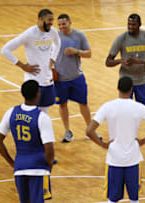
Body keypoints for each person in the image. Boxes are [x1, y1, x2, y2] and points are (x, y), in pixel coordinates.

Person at [86, 76, 145, 203]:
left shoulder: (107, 106)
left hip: (114, 158)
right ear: (131, 89)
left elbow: (89, 131)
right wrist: (143, 141)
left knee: (113, 199)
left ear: (117, 88)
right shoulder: (140, 107)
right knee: (134, 199)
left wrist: (103, 144)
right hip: (133, 158)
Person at [105, 13, 145, 164]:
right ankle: (122, 149)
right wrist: (120, 61)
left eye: (133, 25)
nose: (130, 27)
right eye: (128, 24)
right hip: (126, 82)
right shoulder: (121, 38)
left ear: (140, 25)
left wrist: (140, 61)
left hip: (142, 81)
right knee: (124, 115)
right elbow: (108, 61)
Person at [0, 80, 55, 203]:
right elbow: (49, 149)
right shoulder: (42, 117)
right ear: (38, 94)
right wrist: (49, 166)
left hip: (20, 167)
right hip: (38, 168)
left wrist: (12, 162)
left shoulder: (11, 112)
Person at [1, 9, 61, 114]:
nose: (51, 23)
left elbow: (58, 43)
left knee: (45, 111)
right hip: (33, 80)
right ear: (41, 19)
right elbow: (5, 50)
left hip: (47, 79)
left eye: (52, 20)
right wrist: (22, 66)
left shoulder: (52, 32)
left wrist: (53, 58)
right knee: (31, 112)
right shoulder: (29, 34)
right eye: (49, 20)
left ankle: (42, 130)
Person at [54, 14, 98, 142]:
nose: (62, 27)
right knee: (62, 105)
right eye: (59, 25)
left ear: (70, 22)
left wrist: (76, 51)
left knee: (83, 103)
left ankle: (90, 131)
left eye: (64, 24)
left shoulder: (79, 36)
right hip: (60, 79)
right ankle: (67, 132)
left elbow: (89, 53)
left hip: (76, 77)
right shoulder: (55, 37)